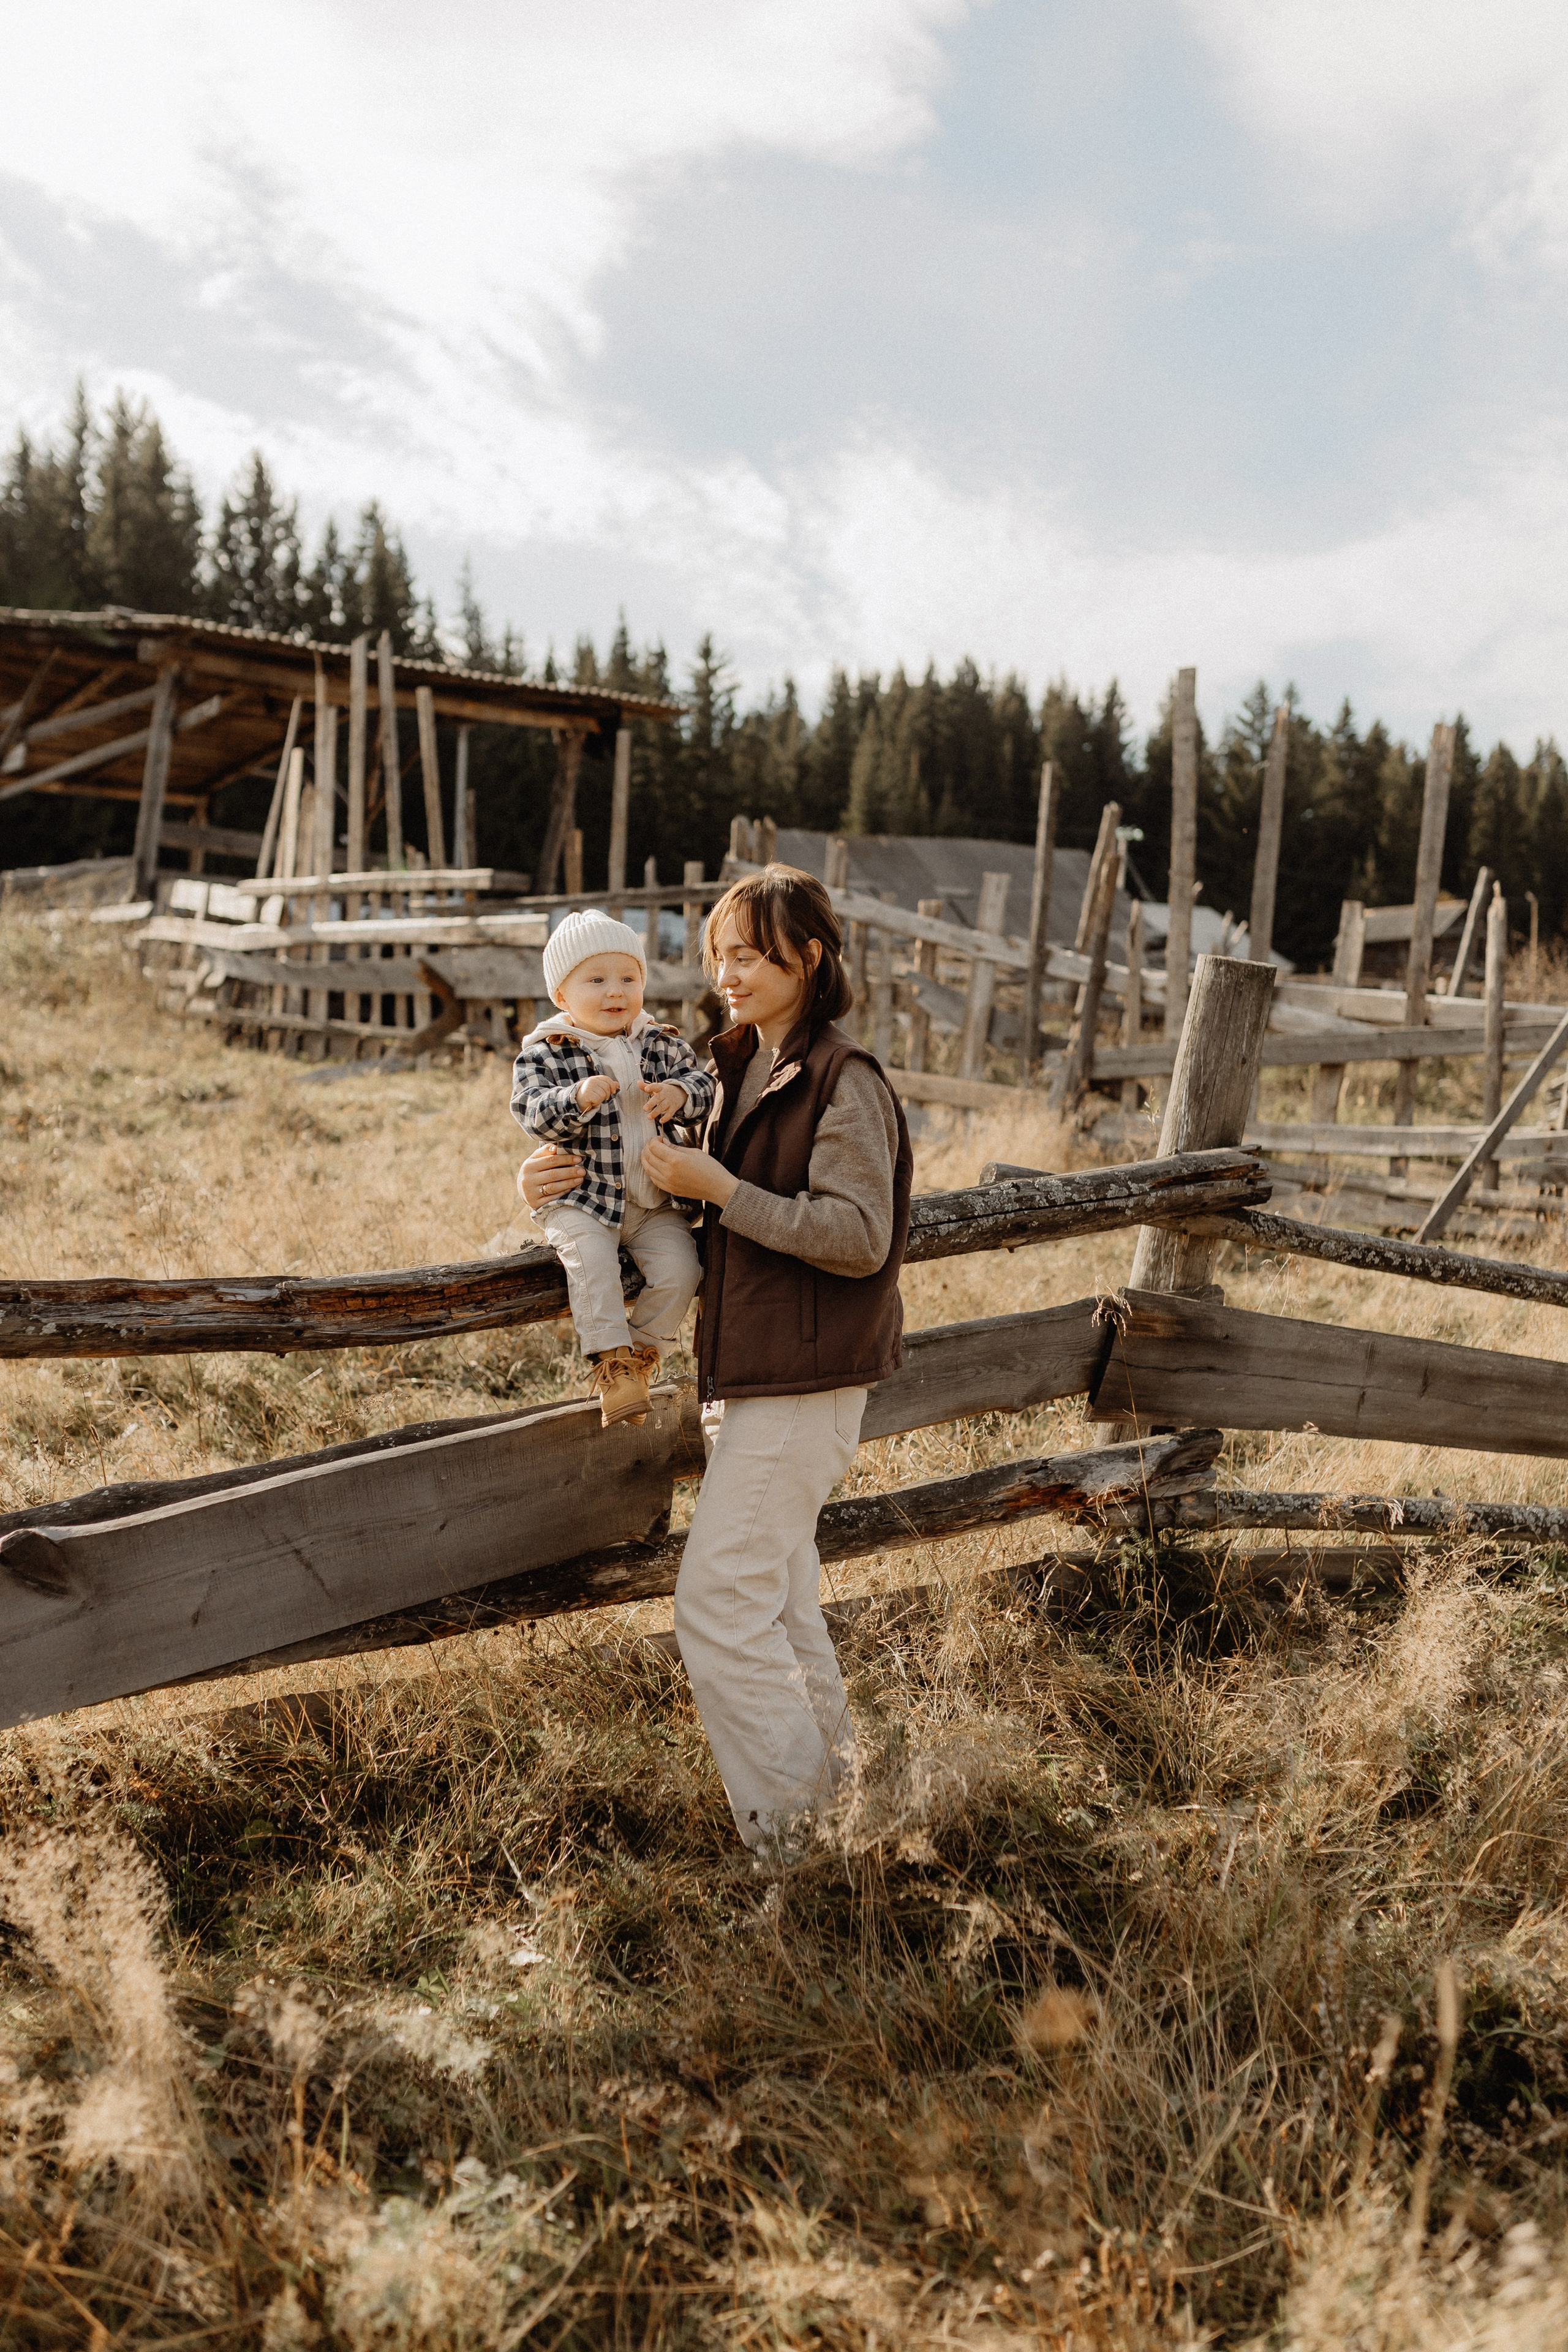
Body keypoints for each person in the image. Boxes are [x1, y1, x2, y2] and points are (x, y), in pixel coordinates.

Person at [519, 865, 911, 1850]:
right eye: (718, 957)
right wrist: (541, 1180)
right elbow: (644, 1179)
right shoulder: (734, 1068)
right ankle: (847, 1827)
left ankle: (794, 1845)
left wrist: (723, 1189)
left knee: (717, 1607)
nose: (726, 975)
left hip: (805, 1380)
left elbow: (860, 1236)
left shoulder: (844, 1078)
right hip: (752, 1373)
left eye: (749, 956)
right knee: (782, 1605)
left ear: (808, 958)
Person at [511, 908, 715, 1430]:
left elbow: (704, 1087)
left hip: (655, 1203)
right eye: (596, 980)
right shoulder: (547, 1052)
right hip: (584, 1199)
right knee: (592, 1267)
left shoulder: (662, 1042)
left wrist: (679, 1093)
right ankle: (611, 1362)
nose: (615, 992)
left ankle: (641, 1358)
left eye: (628, 978)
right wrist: (575, 1097)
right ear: (562, 995)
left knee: (682, 1271)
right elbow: (531, 1111)